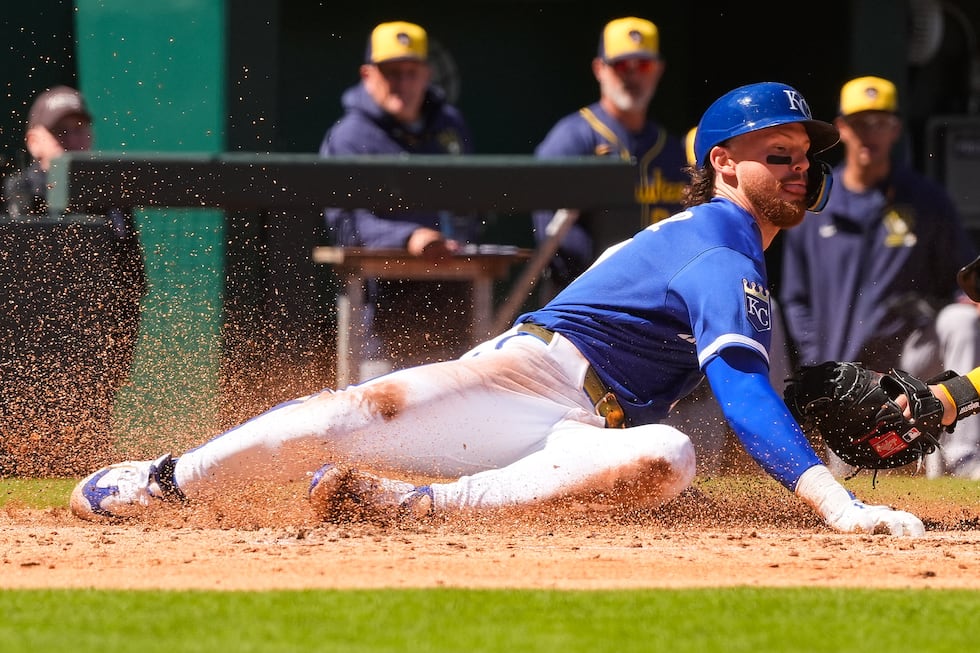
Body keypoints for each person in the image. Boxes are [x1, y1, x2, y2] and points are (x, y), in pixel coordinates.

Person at [70, 82, 927, 538]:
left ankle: (415, 509)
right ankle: (161, 481)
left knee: (666, 456)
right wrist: (837, 502)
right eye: (775, 153)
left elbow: (709, 405)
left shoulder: (739, 255)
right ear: (722, 164)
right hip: (528, 376)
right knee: (346, 415)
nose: (797, 168)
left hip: (587, 425)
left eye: (804, 157)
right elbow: (740, 392)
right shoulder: (717, 242)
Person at [779, 76, 980, 479]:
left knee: (963, 320)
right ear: (842, 129)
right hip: (845, 361)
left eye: (879, 122)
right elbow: (795, 298)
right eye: (859, 123)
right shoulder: (817, 200)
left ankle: (967, 465)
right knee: (851, 480)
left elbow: (964, 284)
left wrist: (943, 305)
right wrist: (820, 367)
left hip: (916, 357)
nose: (869, 133)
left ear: (896, 128)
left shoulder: (925, 199)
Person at [0, 85, 146, 476]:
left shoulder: (111, 195)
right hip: (23, 355)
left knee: (84, 457)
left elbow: (133, 281)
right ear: (33, 140)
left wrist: (118, 349)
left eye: (80, 129)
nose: (74, 139)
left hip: (92, 350)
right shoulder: (15, 191)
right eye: (61, 131)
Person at [319, 21, 477, 380]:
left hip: (454, 307)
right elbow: (347, 225)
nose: (403, 84)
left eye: (411, 72)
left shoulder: (448, 125)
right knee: (381, 420)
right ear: (368, 75)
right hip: (381, 319)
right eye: (391, 73)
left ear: (427, 74)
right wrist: (409, 238)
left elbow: (469, 204)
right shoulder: (348, 137)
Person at [531, 17, 687, 295]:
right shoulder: (572, 138)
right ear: (599, 69)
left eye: (644, 65)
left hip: (658, 297)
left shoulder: (671, 149)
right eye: (622, 65)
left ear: (659, 70)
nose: (633, 75)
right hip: (581, 298)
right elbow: (553, 241)